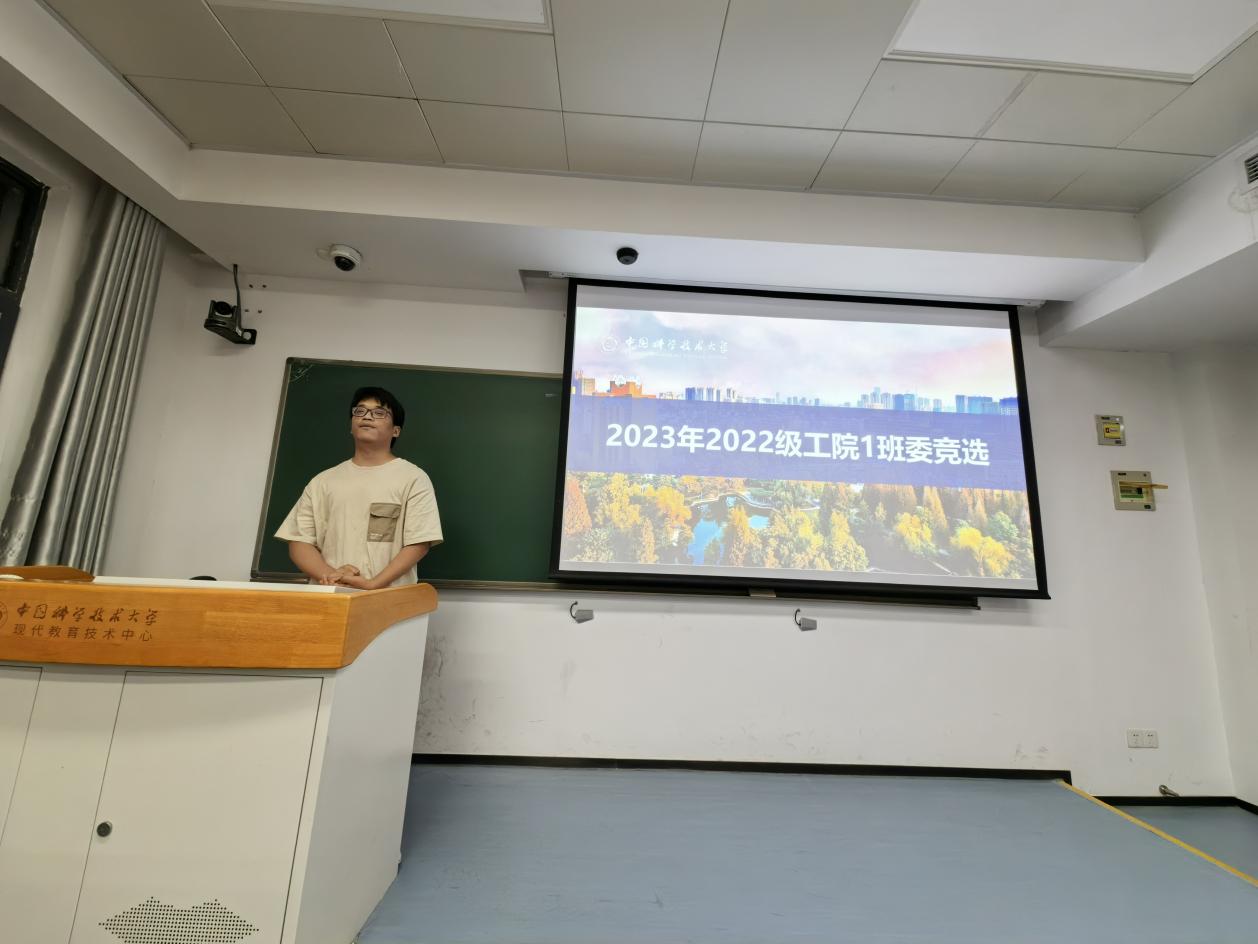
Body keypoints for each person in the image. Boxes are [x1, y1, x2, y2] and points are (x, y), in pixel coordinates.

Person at [275, 386, 442, 589]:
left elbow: (419, 543)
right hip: (331, 596)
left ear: (396, 430)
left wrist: (373, 584)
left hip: (388, 597)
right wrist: (332, 576)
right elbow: (299, 541)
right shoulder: (323, 481)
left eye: (379, 412)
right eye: (360, 411)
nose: (367, 416)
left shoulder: (413, 478)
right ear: (351, 426)